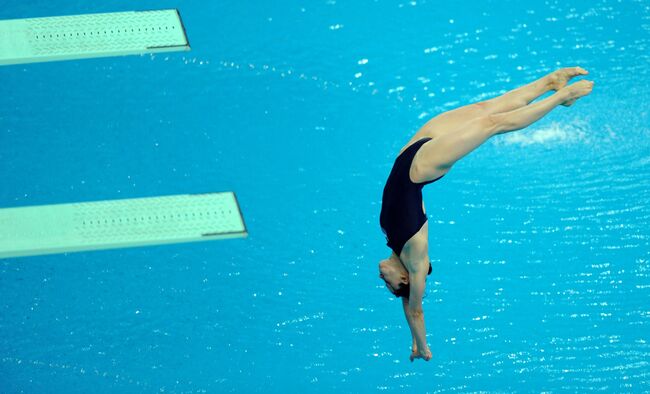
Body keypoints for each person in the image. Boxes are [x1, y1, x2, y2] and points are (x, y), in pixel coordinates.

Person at [378, 67, 594, 362]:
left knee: (485, 108)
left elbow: (407, 307)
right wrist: (423, 347)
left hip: (411, 152)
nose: (381, 277)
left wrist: (414, 341)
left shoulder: (392, 242)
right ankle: (563, 96)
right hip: (423, 166)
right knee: (493, 123)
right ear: (404, 278)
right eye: (387, 283)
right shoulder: (416, 261)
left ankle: (549, 83)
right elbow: (414, 308)